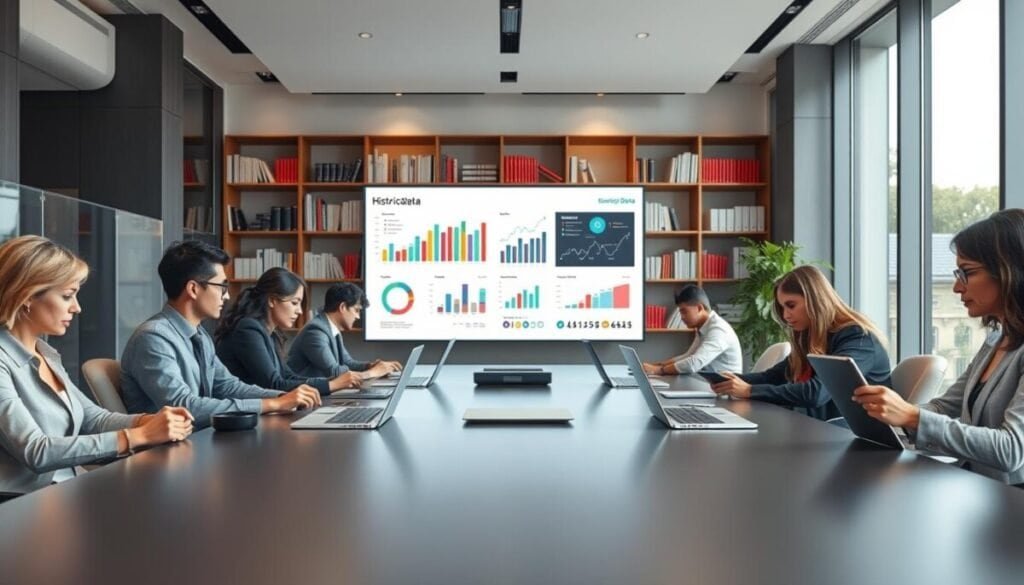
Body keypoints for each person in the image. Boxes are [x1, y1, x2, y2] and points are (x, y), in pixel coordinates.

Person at [0, 236, 192, 495]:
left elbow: (94, 419)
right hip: (17, 508)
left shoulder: (45, 353)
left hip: (60, 494)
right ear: (28, 296)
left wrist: (148, 421)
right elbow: (38, 451)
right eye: (67, 296)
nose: (77, 308)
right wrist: (140, 436)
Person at [854, 209, 1024, 486]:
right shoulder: (996, 339)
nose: (957, 287)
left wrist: (910, 416)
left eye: (967, 273)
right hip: (978, 490)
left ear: (1009, 271)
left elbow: (1011, 450)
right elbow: (945, 406)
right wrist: (889, 418)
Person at [121, 241, 320, 428]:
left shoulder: (200, 336)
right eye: (222, 286)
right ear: (193, 289)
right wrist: (273, 405)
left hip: (199, 443)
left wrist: (284, 397)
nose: (227, 296)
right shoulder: (153, 339)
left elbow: (229, 387)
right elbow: (183, 407)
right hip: (164, 455)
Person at [710, 265, 892, 420]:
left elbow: (816, 393)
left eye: (791, 305)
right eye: (782, 308)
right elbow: (773, 377)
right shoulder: (811, 337)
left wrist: (749, 391)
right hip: (823, 432)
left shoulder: (858, 338)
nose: (785, 315)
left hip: (858, 441)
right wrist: (727, 380)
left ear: (815, 300)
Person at [214, 267, 361, 395]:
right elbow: (274, 384)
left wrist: (334, 381)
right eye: (294, 303)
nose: (299, 312)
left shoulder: (269, 333)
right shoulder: (248, 329)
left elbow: (288, 376)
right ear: (272, 300)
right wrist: (333, 385)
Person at [287, 283, 400, 380]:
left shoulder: (330, 328)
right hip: (304, 400)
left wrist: (371, 366)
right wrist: (374, 373)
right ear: (343, 307)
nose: (358, 317)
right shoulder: (315, 331)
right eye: (356, 310)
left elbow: (347, 363)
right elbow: (335, 373)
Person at [641, 285, 742, 375]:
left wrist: (660, 370)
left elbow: (694, 363)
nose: (682, 317)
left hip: (726, 391)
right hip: (708, 384)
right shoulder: (703, 327)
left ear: (699, 308)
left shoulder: (718, 330)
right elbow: (688, 356)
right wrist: (656, 365)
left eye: (684, 312)